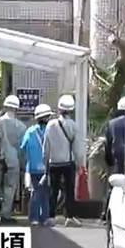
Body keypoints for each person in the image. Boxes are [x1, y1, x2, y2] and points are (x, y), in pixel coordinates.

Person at [43, 94, 85, 227]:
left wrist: (45, 162)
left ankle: (50, 217)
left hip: (53, 162)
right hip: (68, 162)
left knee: (53, 190)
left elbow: (46, 146)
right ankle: (69, 217)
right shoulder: (73, 126)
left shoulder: (51, 124)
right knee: (69, 190)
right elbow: (78, 147)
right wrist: (80, 163)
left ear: (59, 109)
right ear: (71, 109)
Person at [0, 95, 27, 224]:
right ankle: (5, 214)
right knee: (10, 188)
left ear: (5, 106)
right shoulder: (21, 127)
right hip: (13, 161)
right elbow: (21, 149)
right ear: (17, 108)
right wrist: (22, 164)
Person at [21, 104, 53, 226]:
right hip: (48, 166)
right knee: (45, 194)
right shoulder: (51, 131)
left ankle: (33, 217)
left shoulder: (30, 131)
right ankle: (44, 218)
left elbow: (23, 146)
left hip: (33, 167)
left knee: (35, 191)